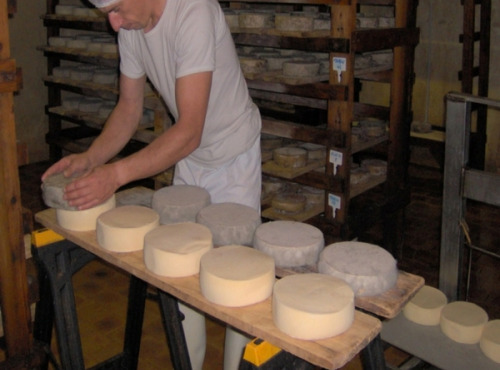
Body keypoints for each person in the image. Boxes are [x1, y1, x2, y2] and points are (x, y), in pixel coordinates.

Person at [42, 0, 262, 368]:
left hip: (233, 156)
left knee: (236, 283)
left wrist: (115, 175)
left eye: (115, 9)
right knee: (180, 273)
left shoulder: (194, 11)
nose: (112, 24)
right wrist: (93, 158)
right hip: (190, 159)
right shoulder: (130, 25)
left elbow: (190, 130)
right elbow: (129, 108)